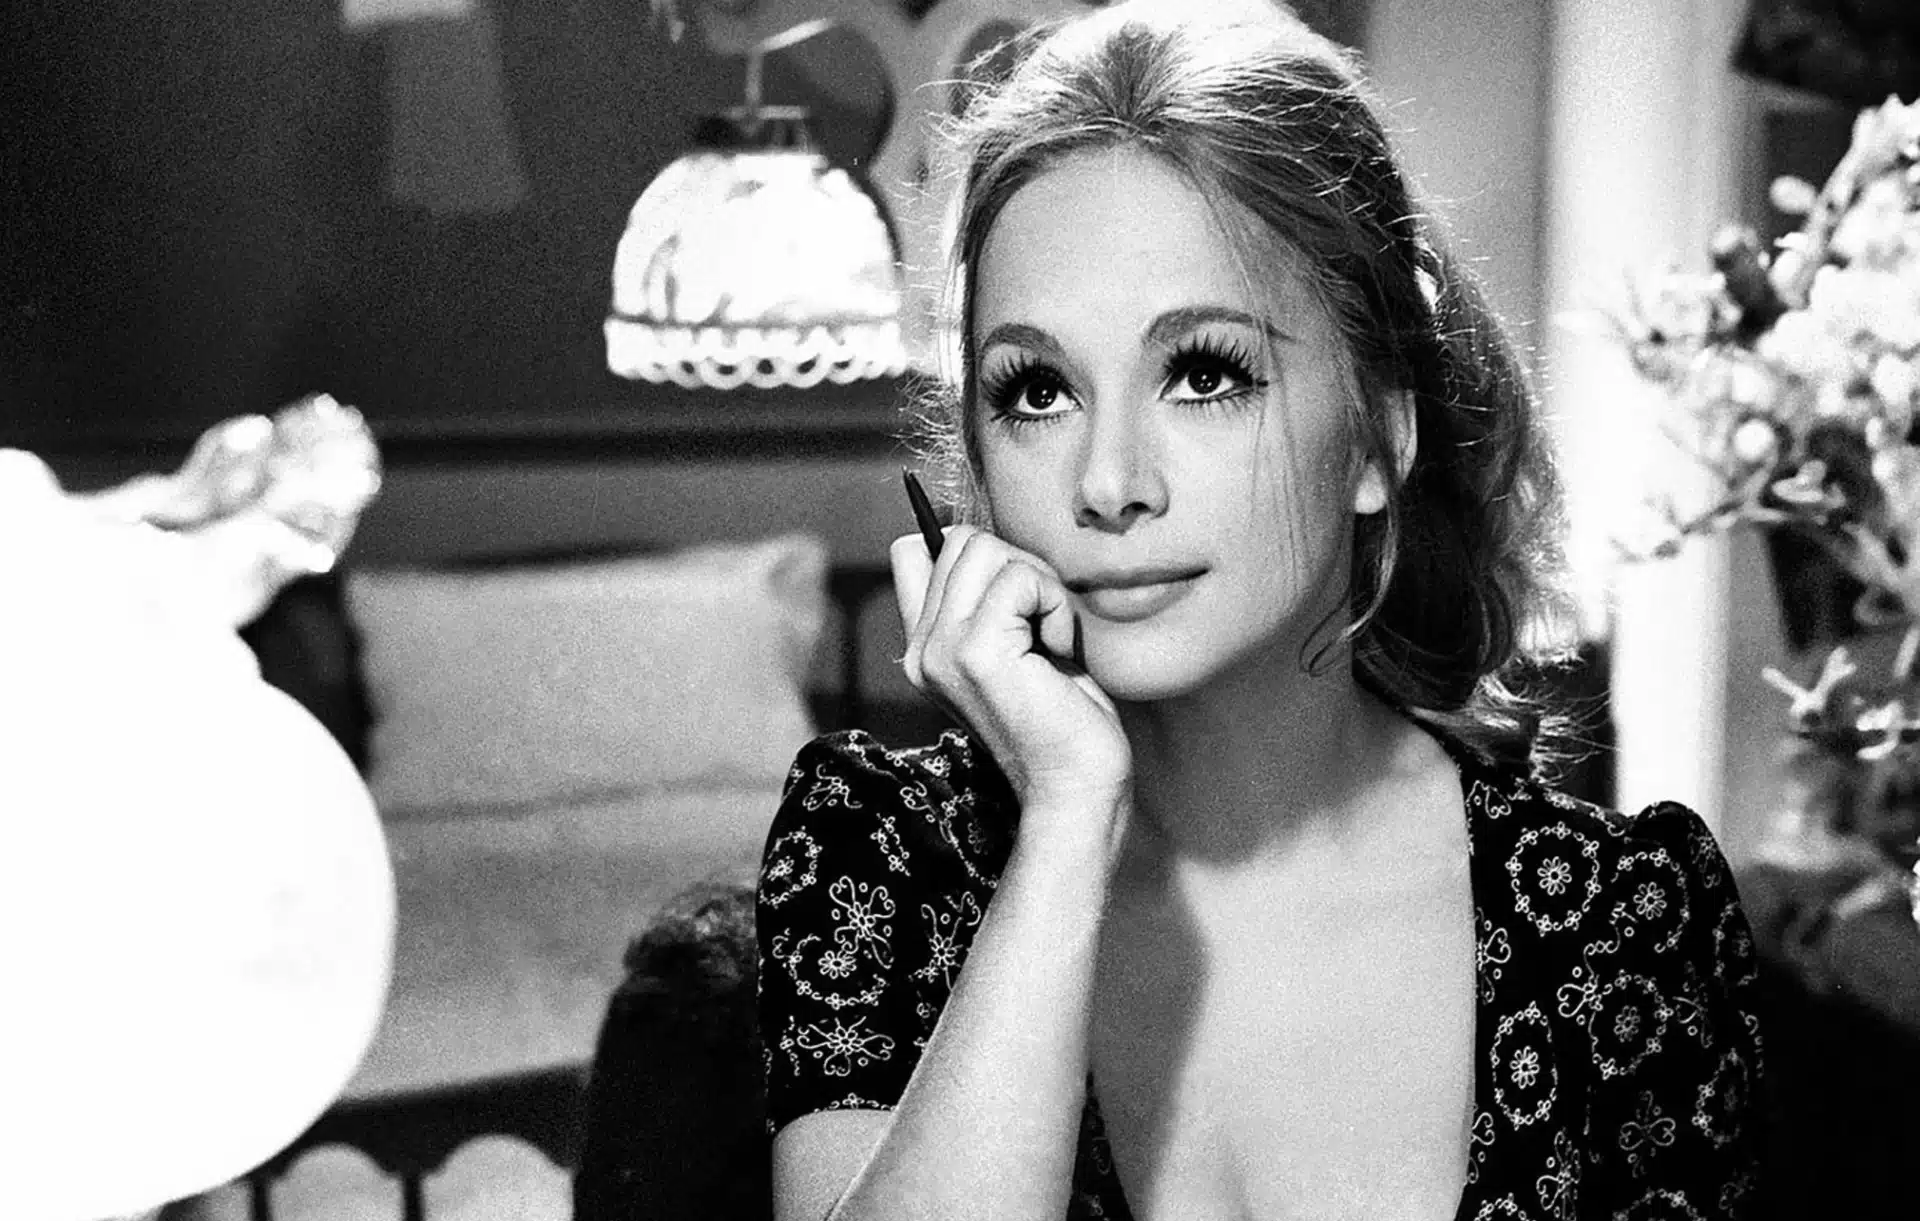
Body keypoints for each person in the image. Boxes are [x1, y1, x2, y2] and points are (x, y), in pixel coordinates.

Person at [754, 3, 1764, 1219]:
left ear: (1379, 437)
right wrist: (1068, 819)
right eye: (1037, 392)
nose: (1108, 483)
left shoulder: (1622, 918)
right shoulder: (884, 857)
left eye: (1204, 373)